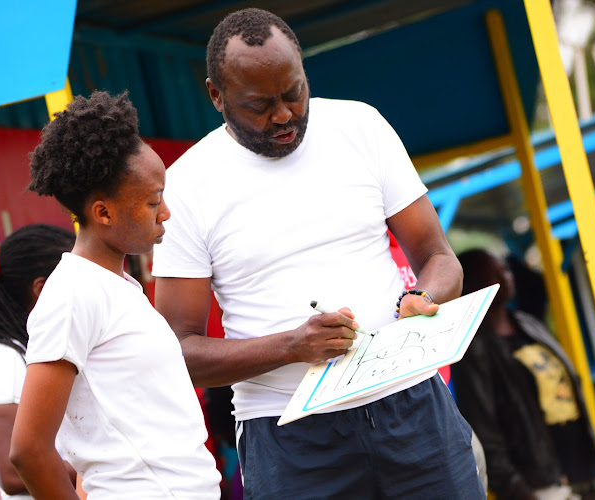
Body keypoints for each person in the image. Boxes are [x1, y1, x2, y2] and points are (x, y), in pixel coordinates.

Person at [152, 8, 484, 499]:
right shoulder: (184, 187)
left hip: (412, 409)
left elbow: (439, 257)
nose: (284, 114)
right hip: (290, 438)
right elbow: (178, 350)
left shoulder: (360, 126)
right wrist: (292, 346)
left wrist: (423, 298)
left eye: (294, 92)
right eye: (259, 105)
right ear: (215, 96)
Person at [9, 90, 221, 499]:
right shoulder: (73, 293)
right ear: (103, 213)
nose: (166, 213)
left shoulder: (119, 287)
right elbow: (29, 450)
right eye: (152, 202)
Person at [452, 249, 595, 500]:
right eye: (494, 271)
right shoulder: (473, 348)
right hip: (541, 486)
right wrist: (513, 487)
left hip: (584, 473)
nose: (506, 276)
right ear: (472, 282)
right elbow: (482, 427)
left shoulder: (529, 325)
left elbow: (569, 393)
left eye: (506, 269)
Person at [0, 223, 77, 499]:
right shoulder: (5, 364)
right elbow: (12, 471)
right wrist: (108, 468)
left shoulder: (38, 352)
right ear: (41, 289)